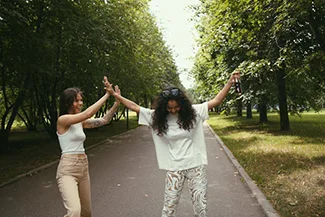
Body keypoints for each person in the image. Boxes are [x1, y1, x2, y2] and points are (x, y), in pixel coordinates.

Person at [104, 71, 240, 216]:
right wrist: (114, 94)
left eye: (176, 107)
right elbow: (134, 107)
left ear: (182, 104)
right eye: (170, 108)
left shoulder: (194, 112)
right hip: (174, 167)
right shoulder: (157, 117)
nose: (173, 110)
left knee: (200, 206)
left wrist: (230, 82)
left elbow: (216, 101)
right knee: (169, 207)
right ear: (164, 107)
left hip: (195, 166)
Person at [56, 76, 120, 217]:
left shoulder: (80, 122)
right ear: (68, 102)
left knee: (86, 213)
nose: (80, 103)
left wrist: (116, 103)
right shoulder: (63, 120)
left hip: (83, 168)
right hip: (68, 169)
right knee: (74, 211)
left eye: (81, 100)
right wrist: (107, 94)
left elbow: (103, 120)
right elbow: (88, 113)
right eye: (77, 100)